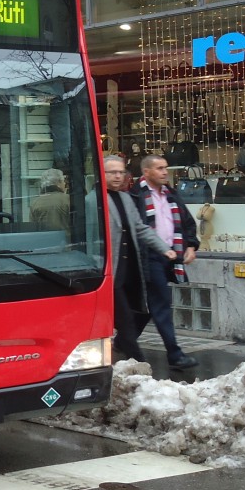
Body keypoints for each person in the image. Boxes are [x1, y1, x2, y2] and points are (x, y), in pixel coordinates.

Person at [129, 154, 200, 370]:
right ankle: (175, 355)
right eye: (159, 168)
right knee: (161, 303)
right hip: (148, 256)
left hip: (171, 255)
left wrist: (190, 245)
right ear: (146, 172)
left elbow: (187, 221)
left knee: (151, 307)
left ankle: (124, 342)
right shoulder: (135, 195)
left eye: (165, 167)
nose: (164, 172)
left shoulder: (171, 194)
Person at [103, 155, 175, 362]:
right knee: (125, 320)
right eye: (112, 172)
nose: (118, 176)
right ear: (103, 173)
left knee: (140, 313)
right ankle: (140, 365)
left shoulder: (126, 198)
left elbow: (140, 228)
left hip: (131, 269)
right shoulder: (95, 199)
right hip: (112, 271)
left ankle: (120, 354)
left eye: (121, 172)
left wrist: (164, 248)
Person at [30, 168, 70, 235]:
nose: (65, 183)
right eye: (63, 181)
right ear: (58, 182)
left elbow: (32, 230)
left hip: (44, 243)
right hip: (65, 242)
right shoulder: (68, 199)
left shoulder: (35, 203)